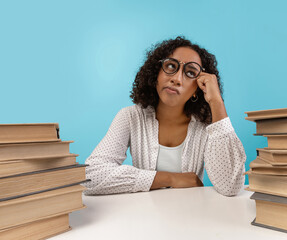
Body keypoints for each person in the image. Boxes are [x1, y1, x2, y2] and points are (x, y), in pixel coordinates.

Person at [83, 36, 246, 197]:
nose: (176, 79)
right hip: (142, 216)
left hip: (193, 216)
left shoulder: (207, 126)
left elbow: (230, 186)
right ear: (156, 74)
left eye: (190, 72)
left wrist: (216, 101)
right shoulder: (131, 117)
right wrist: (170, 178)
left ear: (198, 87)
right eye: (170, 66)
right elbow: (89, 176)